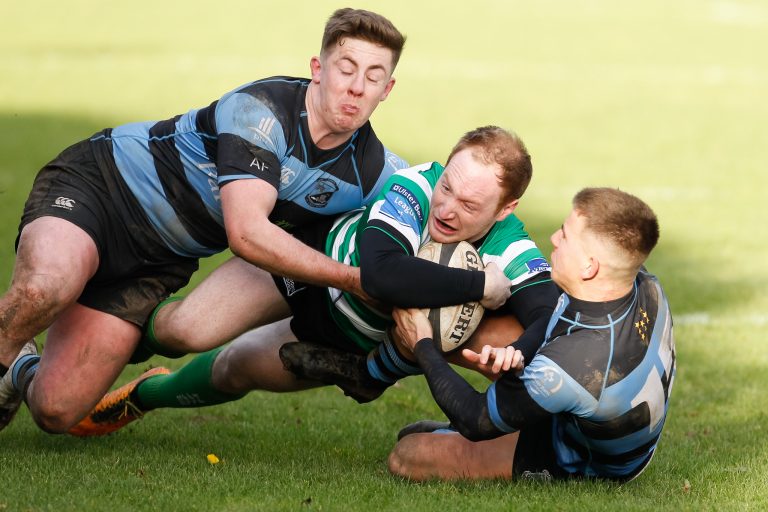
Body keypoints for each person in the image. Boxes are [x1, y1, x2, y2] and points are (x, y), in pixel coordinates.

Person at [0, 8, 410, 434]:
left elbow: (436, 196)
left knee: (56, 410)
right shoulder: (262, 112)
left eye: (374, 76)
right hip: (103, 188)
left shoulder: (374, 170)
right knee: (44, 286)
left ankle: (21, 368)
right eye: (346, 69)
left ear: (387, 89)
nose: (356, 87)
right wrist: (351, 278)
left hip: (158, 262)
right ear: (318, 69)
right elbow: (247, 234)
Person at [69, 125, 560, 437]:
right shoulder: (417, 185)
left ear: (506, 209)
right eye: (449, 187)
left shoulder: (510, 242)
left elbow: (547, 309)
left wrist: (518, 349)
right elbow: (383, 275)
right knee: (187, 331)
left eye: (470, 205)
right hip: (309, 268)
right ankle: (106, 326)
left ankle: (140, 398)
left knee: (234, 370)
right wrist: (481, 288)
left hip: (342, 338)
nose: (447, 208)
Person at [387, 187, 675, 482]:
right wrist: (521, 349)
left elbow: (475, 419)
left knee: (408, 453)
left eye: (564, 235)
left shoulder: (573, 365)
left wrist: (421, 343)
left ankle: (506, 433)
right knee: (469, 330)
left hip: (581, 455)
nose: (553, 238)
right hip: (591, 400)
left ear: (590, 267)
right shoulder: (643, 283)